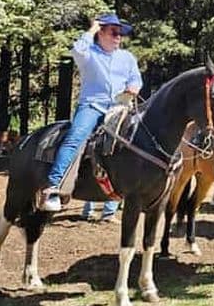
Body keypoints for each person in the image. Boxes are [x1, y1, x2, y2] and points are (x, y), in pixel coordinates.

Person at [40, 13, 142, 213]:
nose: (118, 37)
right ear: (101, 33)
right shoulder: (89, 54)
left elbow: (136, 79)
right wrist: (92, 29)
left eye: (120, 34)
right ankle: (54, 188)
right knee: (76, 138)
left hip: (119, 108)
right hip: (92, 106)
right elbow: (77, 50)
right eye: (113, 32)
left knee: (136, 139)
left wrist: (133, 88)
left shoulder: (127, 57)